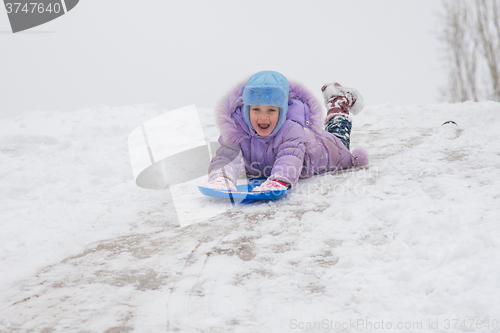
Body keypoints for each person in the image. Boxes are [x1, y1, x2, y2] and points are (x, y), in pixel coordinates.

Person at [204, 70, 368, 192]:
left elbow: (289, 157)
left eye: (271, 110)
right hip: (310, 144)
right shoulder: (237, 128)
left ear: (282, 111)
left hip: (329, 149)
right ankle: (336, 101)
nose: (263, 117)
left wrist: (280, 179)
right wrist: (221, 177)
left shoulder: (291, 129)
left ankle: (339, 101)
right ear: (246, 110)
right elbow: (227, 155)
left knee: (337, 133)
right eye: (256, 109)